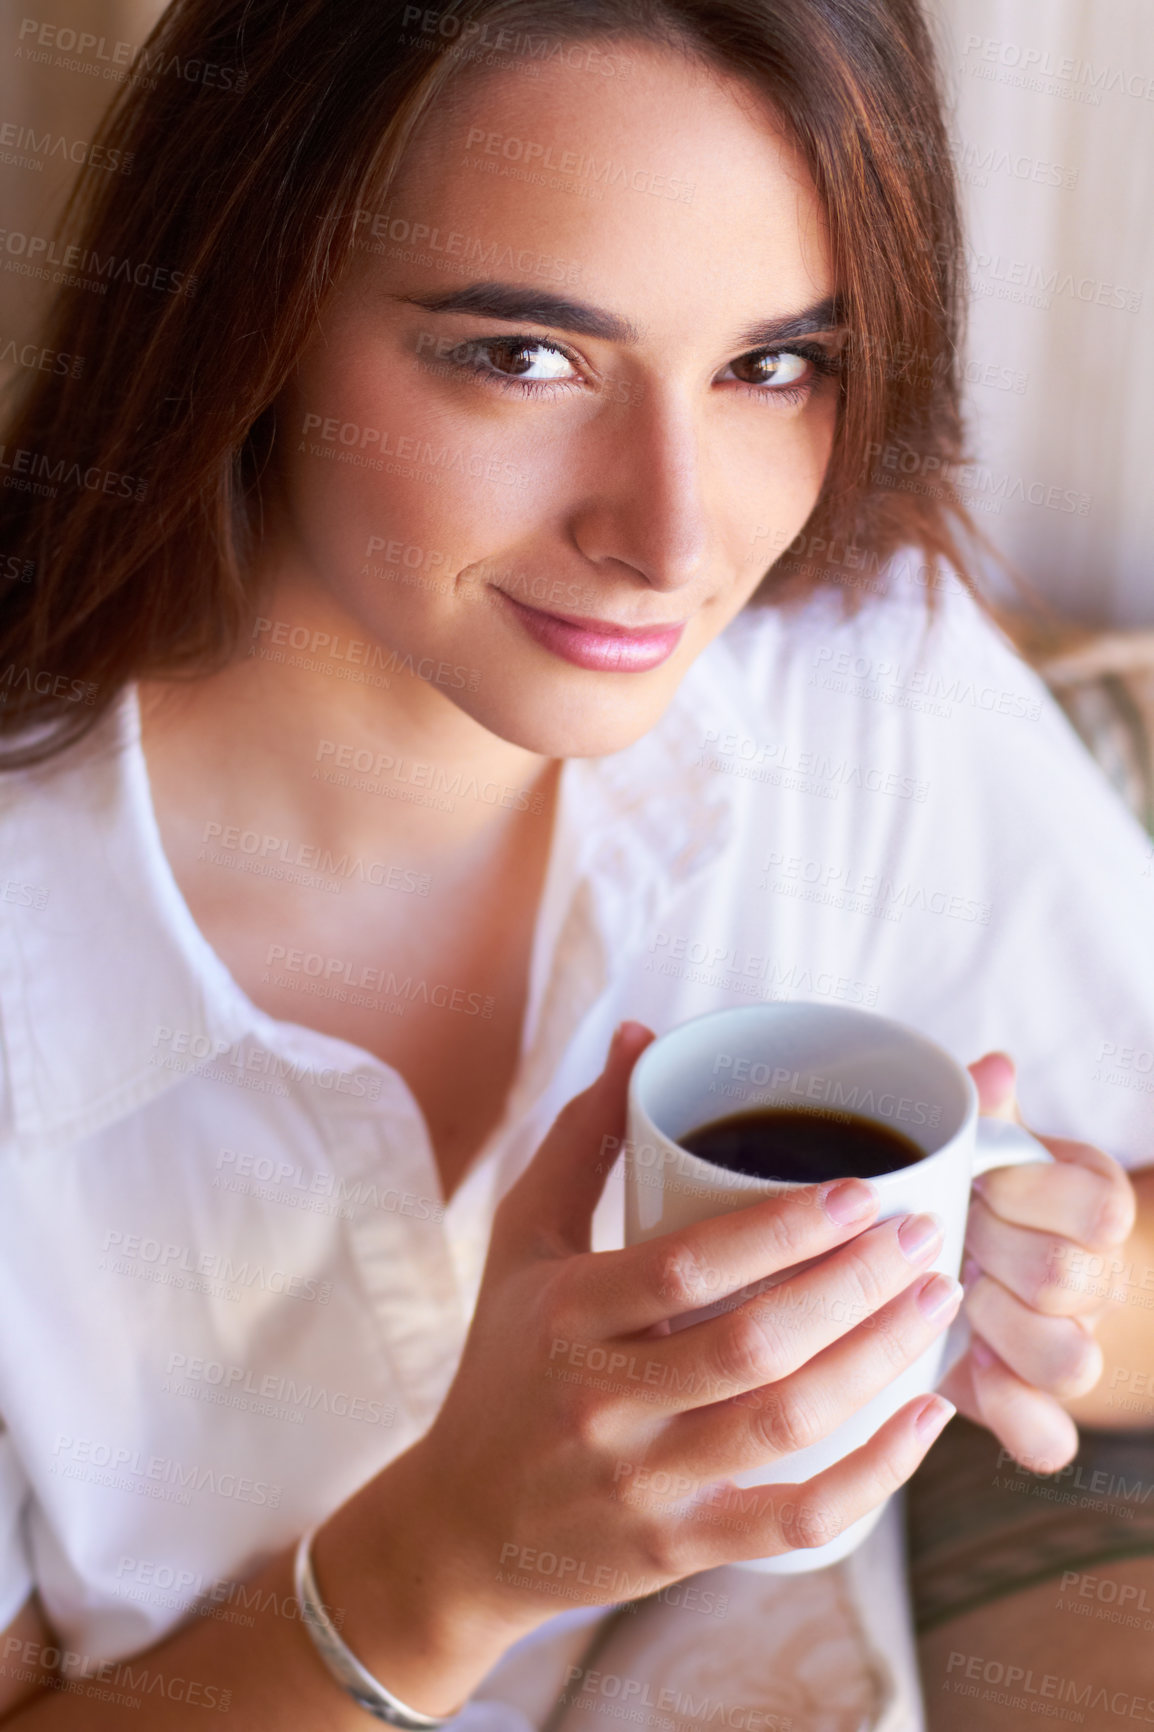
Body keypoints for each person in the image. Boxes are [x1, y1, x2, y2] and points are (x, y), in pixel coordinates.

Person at [0, 0, 1151, 1726]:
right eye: (523, 356)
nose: (674, 537)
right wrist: (443, 1567)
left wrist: (1037, 1299)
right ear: (253, 302)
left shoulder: (858, 689)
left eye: (772, 364)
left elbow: (1115, 1248)